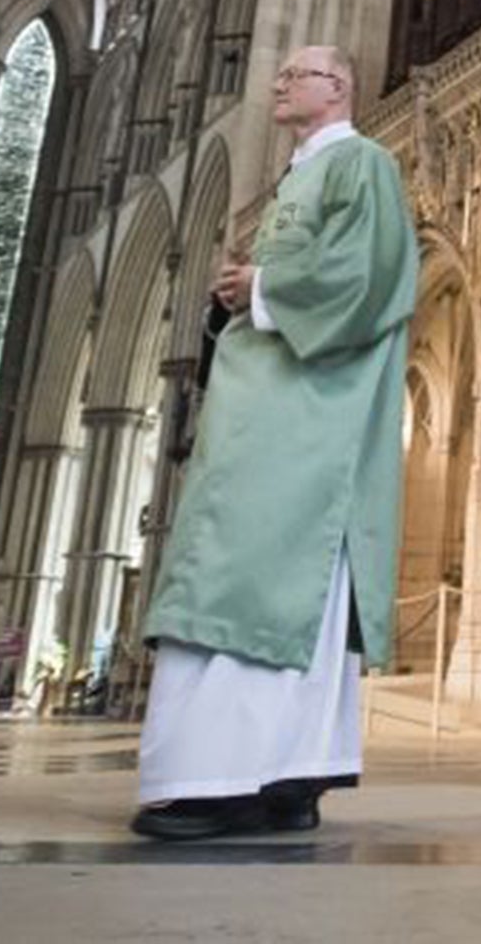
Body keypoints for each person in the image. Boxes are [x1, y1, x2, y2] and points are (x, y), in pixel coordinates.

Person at [130, 45, 418, 841]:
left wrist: (262, 288)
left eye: (298, 73)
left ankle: (219, 781)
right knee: (264, 584)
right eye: (280, 73)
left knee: (251, 580)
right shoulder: (301, 176)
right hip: (269, 414)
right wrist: (240, 298)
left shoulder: (360, 163)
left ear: (340, 88)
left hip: (302, 428)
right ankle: (288, 772)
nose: (279, 82)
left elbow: (372, 277)